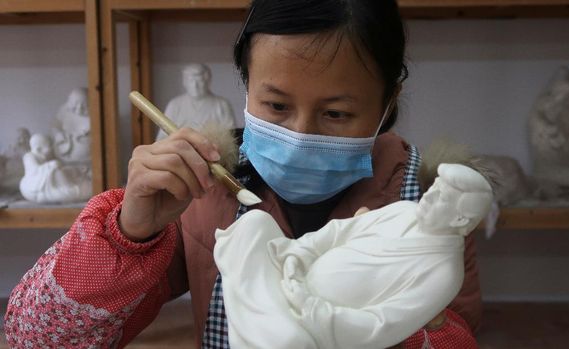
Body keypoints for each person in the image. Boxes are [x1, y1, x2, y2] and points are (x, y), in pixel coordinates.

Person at [4, 1, 482, 348]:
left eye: (335, 113)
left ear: (387, 105)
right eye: (275, 105)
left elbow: (456, 334)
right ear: (245, 86)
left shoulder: (428, 205)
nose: (298, 134)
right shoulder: (201, 191)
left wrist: (390, 314)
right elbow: (37, 339)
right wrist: (128, 232)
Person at [215, 163, 491, 349]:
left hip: (314, 321)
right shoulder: (405, 210)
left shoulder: (444, 274)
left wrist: (310, 306)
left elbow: (379, 325)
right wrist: (299, 254)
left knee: (288, 342)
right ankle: (258, 311)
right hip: (292, 273)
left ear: (459, 218)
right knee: (255, 225)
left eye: (441, 197)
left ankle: (256, 311)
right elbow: (339, 231)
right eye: (433, 189)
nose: (428, 197)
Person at [155, 63, 236, 141]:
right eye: (191, 81)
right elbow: (162, 137)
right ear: (184, 82)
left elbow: (231, 137)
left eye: (199, 81)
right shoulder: (175, 105)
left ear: (208, 81)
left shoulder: (221, 105)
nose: (195, 86)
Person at [19, 133, 92, 204]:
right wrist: (50, 165)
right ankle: (69, 188)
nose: (52, 148)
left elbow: (61, 166)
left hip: (48, 180)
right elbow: (34, 171)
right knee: (56, 169)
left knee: (63, 169)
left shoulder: (45, 157)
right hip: (33, 185)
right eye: (49, 145)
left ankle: (74, 183)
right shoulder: (29, 157)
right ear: (39, 149)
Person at [53, 87, 92, 165]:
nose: (79, 109)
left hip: (89, 159)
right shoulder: (64, 110)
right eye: (75, 106)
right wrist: (57, 134)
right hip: (63, 155)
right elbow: (55, 125)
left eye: (85, 106)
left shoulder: (97, 113)